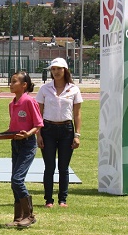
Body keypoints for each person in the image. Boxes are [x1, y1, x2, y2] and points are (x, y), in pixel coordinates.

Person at [0, 71, 43, 228]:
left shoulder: (30, 101)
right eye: (10, 81)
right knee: (14, 181)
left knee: (17, 180)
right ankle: (18, 218)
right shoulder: (12, 104)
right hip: (15, 144)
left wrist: (27, 134)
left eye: (14, 81)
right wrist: (1, 135)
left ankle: (29, 216)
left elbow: (38, 124)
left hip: (28, 144)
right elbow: (14, 128)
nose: (11, 84)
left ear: (24, 85)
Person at [36, 57, 82, 208]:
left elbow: (77, 114)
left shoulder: (74, 89)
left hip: (66, 130)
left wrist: (77, 135)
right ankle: (48, 200)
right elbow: (39, 113)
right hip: (48, 129)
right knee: (49, 167)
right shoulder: (44, 89)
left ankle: (63, 199)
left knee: (64, 167)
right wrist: (39, 134)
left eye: (59, 69)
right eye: (53, 69)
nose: (56, 72)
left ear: (65, 70)